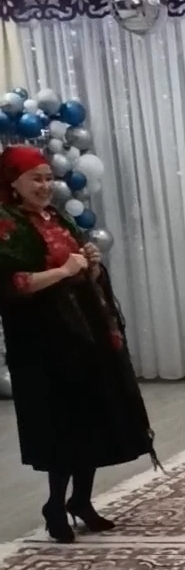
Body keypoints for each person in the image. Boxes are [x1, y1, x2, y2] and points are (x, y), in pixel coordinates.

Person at [0, 145, 156, 542]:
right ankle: (54, 505)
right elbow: (12, 284)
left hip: (84, 334)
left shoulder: (59, 218)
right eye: (36, 179)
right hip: (44, 344)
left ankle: (81, 500)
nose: (45, 186)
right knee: (62, 425)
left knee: (92, 418)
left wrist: (91, 263)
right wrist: (64, 270)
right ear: (14, 183)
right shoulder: (7, 224)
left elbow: (82, 271)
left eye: (48, 178)